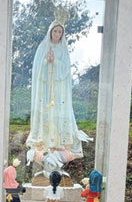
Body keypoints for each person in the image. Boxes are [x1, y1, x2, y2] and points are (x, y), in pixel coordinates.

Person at [25, 21, 90, 176]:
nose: (57, 34)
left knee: (59, 120)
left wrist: (56, 63)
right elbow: (37, 70)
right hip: (46, 93)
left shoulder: (63, 50)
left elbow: (66, 70)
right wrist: (46, 62)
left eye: (60, 32)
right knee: (46, 119)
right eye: (55, 31)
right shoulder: (43, 48)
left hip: (59, 94)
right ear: (50, 32)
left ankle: (57, 155)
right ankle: (45, 155)